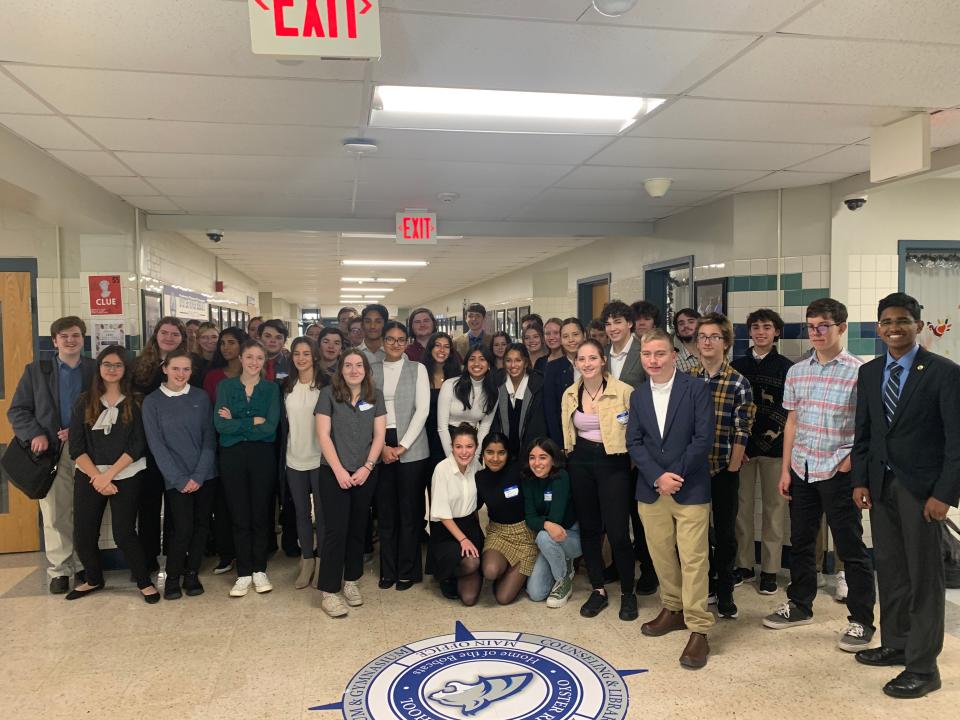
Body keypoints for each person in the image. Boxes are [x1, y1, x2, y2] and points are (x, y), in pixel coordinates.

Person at [852, 292, 960, 698]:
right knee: (892, 570)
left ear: (918, 324)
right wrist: (860, 481)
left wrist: (944, 494)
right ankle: (896, 643)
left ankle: (923, 666)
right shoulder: (870, 372)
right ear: (878, 327)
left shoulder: (943, 373)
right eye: (886, 321)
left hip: (923, 492)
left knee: (923, 577)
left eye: (902, 321)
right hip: (881, 487)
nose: (893, 328)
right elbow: (863, 433)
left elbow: (956, 441)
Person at [762, 299, 876, 654]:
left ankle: (861, 620)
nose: (817, 333)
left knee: (850, 547)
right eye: (812, 326)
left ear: (841, 327)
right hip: (802, 468)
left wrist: (852, 464)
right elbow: (792, 421)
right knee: (801, 541)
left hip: (839, 469)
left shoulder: (860, 371)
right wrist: (785, 469)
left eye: (824, 326)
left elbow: (868, 425)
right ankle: (799, 604)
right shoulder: (798, 371)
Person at [627, 328, 715, 669]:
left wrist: (673, 475)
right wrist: (656, 476)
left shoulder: (695, 389)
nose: (653, 360)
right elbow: (634, 441)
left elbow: (702, 438)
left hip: (689, 487)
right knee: (661, 554)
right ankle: (673, 608)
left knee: (694, 558)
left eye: (660, 354)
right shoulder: (637, 396)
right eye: (647, 355)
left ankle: (699, 628)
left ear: (673, 355)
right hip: (651, 490)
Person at [8, 316, 96, 594]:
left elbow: (107, 406)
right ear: (54, 341)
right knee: (55, 512)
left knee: (84, 510)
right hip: (52, 452)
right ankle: (60, 570)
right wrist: (35, 433)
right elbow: (18, 410)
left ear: (83, 339)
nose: (70, 340)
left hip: (87, 449)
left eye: (75, 335)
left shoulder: (95, 369)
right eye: (64, 336)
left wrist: (79, 429)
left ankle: (84, 566)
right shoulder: (37, 371)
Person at [66, 345, 158, 603]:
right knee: (84, 532)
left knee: (124, 532)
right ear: (99, 368)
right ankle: (94, 578)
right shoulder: (84, 401)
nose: (112, 369)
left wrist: (111, 475)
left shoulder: (136, 402)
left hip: (127, 473)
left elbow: (137, 445)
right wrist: (98, 476)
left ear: (125, 369)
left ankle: (143, 581)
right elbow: (76, 447)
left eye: (118, 365)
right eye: (107, 364)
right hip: (90, 473)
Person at [561, 338, 637, 621]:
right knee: (590, 529)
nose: (587, 364)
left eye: (593, 358)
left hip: (613, 461)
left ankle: (628, 593)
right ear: (576, 363)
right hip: (580, 461)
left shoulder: (623, 392)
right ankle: (598, 590)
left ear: (603, 360)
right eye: (582, 359)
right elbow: (567, 432)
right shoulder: (570, 394)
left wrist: (628, 462)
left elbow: (635, 432)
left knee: (618, 531)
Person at [689, 313, 756, 620]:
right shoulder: (687, 377)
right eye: (702, 336)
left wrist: (733, 465)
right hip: (692, 469)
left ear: (725, 343)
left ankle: (726, 589)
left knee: (726, 533)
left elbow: (743, 426)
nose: (706, 342)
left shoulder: (737, 382)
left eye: (713, 337)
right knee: (697, 533)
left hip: (723, 468)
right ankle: (706, 586)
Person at [141, 349, 217, 600]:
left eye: (186, 369)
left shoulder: (201, 397)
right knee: (182, 528)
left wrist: (198, 475)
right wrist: (181, 479)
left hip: (205, 475)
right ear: (164, 368)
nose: (181, 374)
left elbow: (209, 439)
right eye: (175, 368)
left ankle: (192, 573)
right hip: (176, 479)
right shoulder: (152, 402)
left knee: (202, 526)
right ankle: (173, 575)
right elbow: (157, 446)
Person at [315, 349, 386, 617]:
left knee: (359, 528)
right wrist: (339, 471)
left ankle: (351, 581)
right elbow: (323, 435)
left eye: (359, 365)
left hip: (365, 473)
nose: (354, 370)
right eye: (348, 365)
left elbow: (379, 435)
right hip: (334, 473)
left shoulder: (374, 396)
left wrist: (368, 467)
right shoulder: (327, 394)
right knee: (336, 531)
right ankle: (329, 591)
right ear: (341, 369)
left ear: (366, 370)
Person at [730, 309, 793, 594]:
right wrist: (741, 446)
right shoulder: (737, 365)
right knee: (741, 508)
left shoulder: (787, 367)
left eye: (767, 327)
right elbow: (730, 408)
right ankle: (743, 564)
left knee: (774, 511)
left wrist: (761, 444)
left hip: (775, 450)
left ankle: (770, 569)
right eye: (755, 327)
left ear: (776, 332)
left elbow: (787, 411)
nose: (761, 332)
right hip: (741, 451)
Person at [214, 339, 281, 597]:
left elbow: (270, 428)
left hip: (262, 455)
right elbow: (221, 427)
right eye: (250, 357)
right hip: (232, 455)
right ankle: (243, 572)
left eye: (259, 358)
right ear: (240, 358)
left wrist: (238, 422)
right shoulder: (226, 386)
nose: (254, 363)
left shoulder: (271, 389)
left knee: (260, 514)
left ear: (265, 362)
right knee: (239, 514)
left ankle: (259, 569)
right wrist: (253, 420)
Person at [372, 321, 430, 591]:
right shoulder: (371, 369)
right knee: (386, 512)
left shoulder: (417, 369)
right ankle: (388, 570)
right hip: (380, 443)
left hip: (412, 446)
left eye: (400, 339)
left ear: (407, 341)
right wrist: (382, 445)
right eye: (390, 339)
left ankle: (407, 570)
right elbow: (364, 405)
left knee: (410, 511)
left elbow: (422, 411)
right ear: (383, 341)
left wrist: (402, 446)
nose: (395, 344)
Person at [132, 316, 192, 574]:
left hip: (180, 447)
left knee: (177, 506)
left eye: (175, 334)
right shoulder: (140, 366)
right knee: (149, 505)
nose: (169, 338)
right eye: (164, 333)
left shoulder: (188, 365)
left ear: (182, 339)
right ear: (155, 335)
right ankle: (147, 559)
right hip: (148, 446)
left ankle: (175, 556)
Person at [602, 300, 655, 594]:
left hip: (640, 448)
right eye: (608, 323)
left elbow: (651, 399)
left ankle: (648, 570)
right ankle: (618, 564)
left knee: (641, 514)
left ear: (631, 324)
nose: (613, 328)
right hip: (611, 446)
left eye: (618, 322)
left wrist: (642, 449)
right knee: (616, 511)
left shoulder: (643, 351)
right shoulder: (603, 356)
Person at [201, 326, 247, 574]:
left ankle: (247, 553)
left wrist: (239, 421)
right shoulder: (213, 377)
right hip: (220, 444)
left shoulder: (254, 372)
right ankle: (226, 553)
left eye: (232, 342)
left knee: (247, 502)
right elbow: (214, 415)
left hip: (251, 446)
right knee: (223, 503)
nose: (226, 347)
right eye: (223, 343)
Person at [282, 337, 326, 590]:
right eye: (297, 353)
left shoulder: (327, 384)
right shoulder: (286, 385)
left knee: (321, 513)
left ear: (314, 356)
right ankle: (306, 559)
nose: (301, 358)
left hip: (320, 459)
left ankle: (321, 561)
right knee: (300, 513)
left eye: (306, 354)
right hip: (294, 458)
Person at [477, 433, 538, 605]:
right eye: (490, 452)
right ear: (482, 454)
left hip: (525, 536)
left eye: (501, 453)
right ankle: (506, 568)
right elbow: (470, 507)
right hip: (498, 533)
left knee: (503, 598)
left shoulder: (519, 470)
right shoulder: (480, 478)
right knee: (490, 571)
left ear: (508, 454)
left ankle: (519, 570)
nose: (495, 458)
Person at [429, 423, 485, 605]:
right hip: (446, 530)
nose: (464, 452)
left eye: (469, 446)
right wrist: (463, 540)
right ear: (451, 447)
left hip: (470, 526)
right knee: (472, 563)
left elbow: (475, 504)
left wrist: (476, 536)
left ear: (476, 447)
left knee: (469, 599)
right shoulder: (442, 469)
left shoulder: (476, 466)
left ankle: (463, 572)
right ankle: (447, 575)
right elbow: (442, 514)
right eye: (458, 446)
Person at [523, 437, 580, 607]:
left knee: (542, 537)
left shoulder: (560, 477)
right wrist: (546, 524)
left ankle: (564, 579)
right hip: (550, 537)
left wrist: (544, 524)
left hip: (572, 538)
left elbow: (557, 519)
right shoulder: (528, 480)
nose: (536, 463)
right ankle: (562, 563)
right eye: (532, 457)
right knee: (536, 593)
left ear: (553, 459)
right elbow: (529, 517)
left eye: (543, 457)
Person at [437, 346, 498, 457]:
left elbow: (485, 427)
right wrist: (452, 458)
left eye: (482, 359)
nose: (476, 363)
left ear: (489, 365)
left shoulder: (493, 391)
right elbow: (442, 427)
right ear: (466, 364)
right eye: (472, 359)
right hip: (447, 443)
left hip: (472, 445)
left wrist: (475, 457)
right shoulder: (450, 385)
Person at [492, 343, 547, 459]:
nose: (513, 365)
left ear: (526, 363)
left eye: (518, 360)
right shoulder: (496, 382)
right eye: (508, 361)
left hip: (531, 453)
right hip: (501, 454)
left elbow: (538, 425)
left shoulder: (538, 384)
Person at [543, 318, 584, 446]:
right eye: (565, 336)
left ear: (584, 335)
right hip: (565, 437)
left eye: (575, 334)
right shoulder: (553, 368)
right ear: (561, 340)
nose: (571, 340)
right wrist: (559, 444)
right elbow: (550, 410)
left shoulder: (594, 364)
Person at [424, 332, 461, 474]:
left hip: (448, 435)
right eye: (437, 346)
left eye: (446, 347)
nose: (442, 350)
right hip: (425, 435)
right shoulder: (421, 373)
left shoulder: (458, 376)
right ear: (430, 348)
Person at [673, 308, 701, 373]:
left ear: (700, 326)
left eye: (691, 322)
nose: (686, 325)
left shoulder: (715, 354)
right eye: (681, 323)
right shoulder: (674, 363)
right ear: (677, 332)